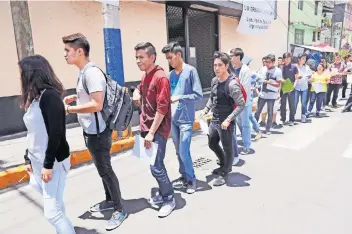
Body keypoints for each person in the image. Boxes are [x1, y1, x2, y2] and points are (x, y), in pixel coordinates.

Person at [62, 33, 127, 231]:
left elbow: (97, 104)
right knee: (102, 169)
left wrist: (69, 110)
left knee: (105, 170)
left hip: (98, 132)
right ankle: (109, 200)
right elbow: (91, 96)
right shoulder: (84, 72)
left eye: (67, 50)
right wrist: (77, 97)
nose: (65, 54)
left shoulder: (91, 73)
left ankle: (119, 209)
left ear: (79, 51)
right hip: (91, 130)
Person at [21, 55, 75, 234]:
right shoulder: (35, 98)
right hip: (38, 162)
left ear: (32, 74)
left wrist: (48, 165)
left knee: (52, 213)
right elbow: (33, 131)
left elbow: (56, 133)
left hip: (53, 163)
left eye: (23, 72)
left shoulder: (49, 96)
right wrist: (27, 158)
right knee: (55, 206)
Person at [132, 42, 175, 217]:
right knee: (152, 164)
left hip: (156, 130)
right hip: (146, 126)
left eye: (141, 57)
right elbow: (140, 88)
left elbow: (162, 108)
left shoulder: (161, 77)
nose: (137, 61)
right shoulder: (146, 75)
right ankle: (164, 191)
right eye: (136, 57)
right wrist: (136, 91)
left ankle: (169, 198)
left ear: (152, 57)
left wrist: (151, 133)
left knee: (156, 166)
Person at [161, 42, 203, 194]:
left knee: (184, 151)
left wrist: (180, 97)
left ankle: (192, 180)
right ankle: (184, 176)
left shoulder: (191, 71)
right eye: (167, 59)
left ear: (179, 55)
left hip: (186, 119)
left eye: (171, 58)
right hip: (173, 119)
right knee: (178, 151)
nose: (169, 61)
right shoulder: (170, 75)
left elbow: (198, 95)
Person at [201, 52, 245, 186]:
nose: (217, 68)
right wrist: (205, 110)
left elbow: (241, 104)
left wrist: (229, 119)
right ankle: (223, 163)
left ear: (226, 66)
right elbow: (212, 98)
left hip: (226, 122)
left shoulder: (232, 84)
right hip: (214, 120)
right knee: (212, 143)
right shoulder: (214, 81)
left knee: (227, 147)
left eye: (220, 65)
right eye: (215, 65)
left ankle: (226, 171)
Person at [228, 48, 252, 155]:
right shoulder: (231, 68)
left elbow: (245, 86)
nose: (230, 58)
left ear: (238, 57)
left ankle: (247, 146)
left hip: (243, 102)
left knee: (245, 124)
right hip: (232, 101)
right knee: (236, 123)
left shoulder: (246, 70)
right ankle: (236, 144)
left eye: (231, 56)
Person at [254, 54, 283, 135]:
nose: (266, 64)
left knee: (270, 112)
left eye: (268, 62)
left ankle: (268, 129)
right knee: (258, 111)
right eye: (265, 62)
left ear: (273, 62)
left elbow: (278, 84)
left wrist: (268, 82)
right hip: (262, 94)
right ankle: (255, 128)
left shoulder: (278, 71)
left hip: (272, 95)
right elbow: (258, 79)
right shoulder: (263, 69)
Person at [281, 52, 299, 126]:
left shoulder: (294, 67)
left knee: (292, 104)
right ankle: (283, 119)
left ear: (290, 58)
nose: (287, 60)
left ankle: (292, 119)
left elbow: (297, 78)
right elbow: (280, 77)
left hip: (291, 87)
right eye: (285, 58)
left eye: (288, 58)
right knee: (283, 104)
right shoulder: (281, 67)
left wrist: (293, 87)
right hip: (284, 86)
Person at [295, 54, 312, 123]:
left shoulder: (307, 67)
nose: (304, 60)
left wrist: (309, 77)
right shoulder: (295, 67)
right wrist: (297, 78)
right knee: (295, 103)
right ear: (299, 59)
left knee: (304, 103)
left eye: (305, 59)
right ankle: (292, 116)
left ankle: (303, 116)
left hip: (304, 87)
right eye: (303, 58)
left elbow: (310, 77)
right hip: (296, 87)